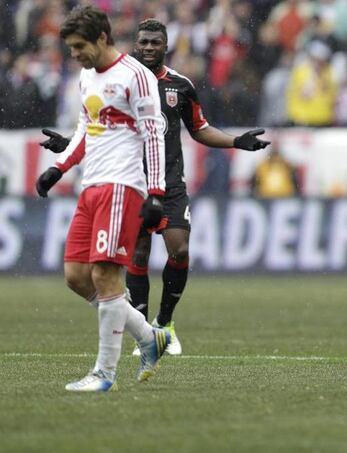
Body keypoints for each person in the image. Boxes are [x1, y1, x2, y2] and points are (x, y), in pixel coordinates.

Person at [41, 18, 271, 357]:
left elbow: (199, 128)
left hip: (171, 183)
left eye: (155, 42)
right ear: (136, 44)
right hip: (133, 181)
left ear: (166, 46)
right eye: (144, 42)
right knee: (138, 254)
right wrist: (68, 145)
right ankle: (145, 333)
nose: (148, 47)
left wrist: (236, 141)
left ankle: (165, 322)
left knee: (179, 249)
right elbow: (100, 125)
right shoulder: (122, 79)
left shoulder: (180, 86)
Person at [36, 5, 169, 392]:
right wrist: (59, 167)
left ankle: (104, 373)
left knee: (105, 275)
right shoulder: (86, 76)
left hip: (121, 184)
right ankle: (150, 337)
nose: (74, 54)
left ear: (102, 38)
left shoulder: (135, 76)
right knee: (76, 276)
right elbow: (85, 126)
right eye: (71, 48)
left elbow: (153, 134)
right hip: (91, 184)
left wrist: (156, 192)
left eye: (80, 46)